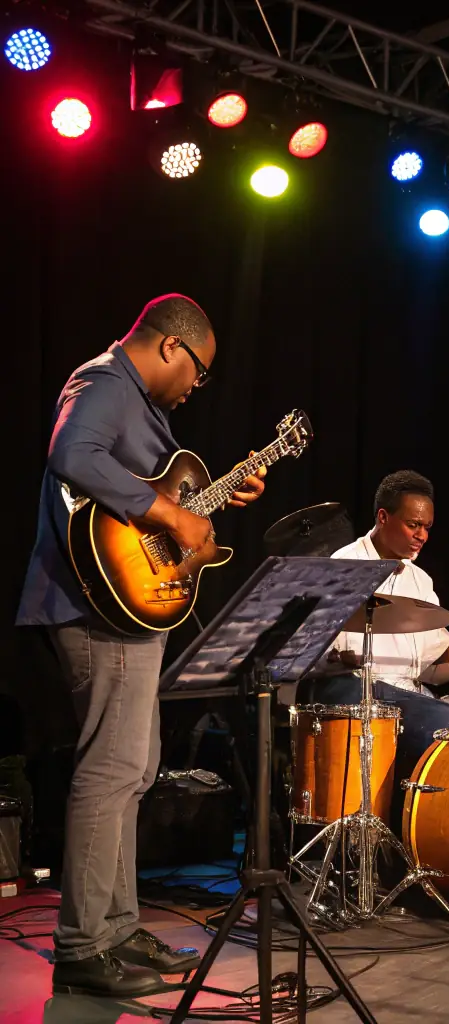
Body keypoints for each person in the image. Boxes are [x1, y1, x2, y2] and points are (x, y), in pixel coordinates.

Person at [16, 294, 267, 997]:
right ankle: (83, 947)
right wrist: (169, 514)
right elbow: (71, 454)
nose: (197, 386)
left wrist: (203, 506)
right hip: (96, 608)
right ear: (169, 346)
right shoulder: (102, 381)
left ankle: (118, 929)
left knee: (134, 767)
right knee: (112, 769)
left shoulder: (142, 407)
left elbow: (152, 502)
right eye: (199, 371)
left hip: (129, 609)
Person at [301, 470, 449, 785]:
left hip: (408, 694)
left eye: (427, 527)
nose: (422, 536)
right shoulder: (344, 566)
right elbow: (311, 653)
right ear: (383, 517)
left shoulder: (419, 580)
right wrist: (336, 659)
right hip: (358, 694)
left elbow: (435, 664)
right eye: (413, 525)